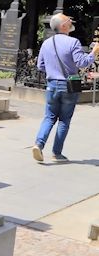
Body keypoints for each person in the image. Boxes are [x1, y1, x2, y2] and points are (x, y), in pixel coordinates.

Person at [32, 13, 99, 162]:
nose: (71, 21)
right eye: (68, 20)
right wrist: (94, 52)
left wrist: (53, 71)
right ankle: (56, 153)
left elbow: (40, 66)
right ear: (63, 26)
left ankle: (38, 144)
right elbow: (82, 63)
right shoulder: (73, 42)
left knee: (49, 117)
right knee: (64, 120)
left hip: (51, 84)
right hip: (69, 85)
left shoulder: (46, 43)